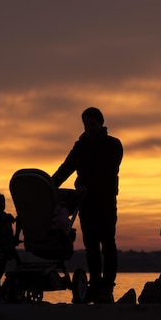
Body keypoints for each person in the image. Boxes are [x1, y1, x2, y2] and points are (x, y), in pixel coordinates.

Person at [51, 107, 123, 303]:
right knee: (91, 246)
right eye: (85, 124)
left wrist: (82, 183)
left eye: (92, 124)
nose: (88, 128)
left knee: (107, 243)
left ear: (100, 123)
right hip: (86, 203)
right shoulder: (80, 146)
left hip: (106, 201)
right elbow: (65, 168)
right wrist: (48, 186)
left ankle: (107, 286)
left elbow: (108, 171)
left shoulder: (113, 145)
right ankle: (95, 284)